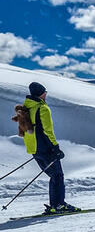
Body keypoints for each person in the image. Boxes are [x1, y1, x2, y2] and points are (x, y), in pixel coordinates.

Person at [21, 82, 79, 214]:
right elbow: (48, 131)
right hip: (46, 148)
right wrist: (55, 148)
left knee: (54, 175)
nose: (46, 94)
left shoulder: (25, 108)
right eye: (44, 92)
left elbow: (25, 130)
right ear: (41, 94)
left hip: (34, 149)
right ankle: (59, 205)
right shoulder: (42, 108)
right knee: (58, 175)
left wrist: (33, 148)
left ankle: (55, 204)